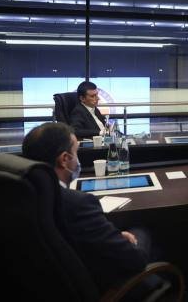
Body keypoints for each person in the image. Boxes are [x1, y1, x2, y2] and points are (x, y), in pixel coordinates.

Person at [21, 122, 151, 293]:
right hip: (101, 286)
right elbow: (135, 260)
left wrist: (113, 237)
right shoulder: (77, 204)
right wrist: (138, 237)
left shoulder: (21, 197)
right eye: (76, 152)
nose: (78, 159)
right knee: (142, 231)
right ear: (65, 159)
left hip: (41, 287)